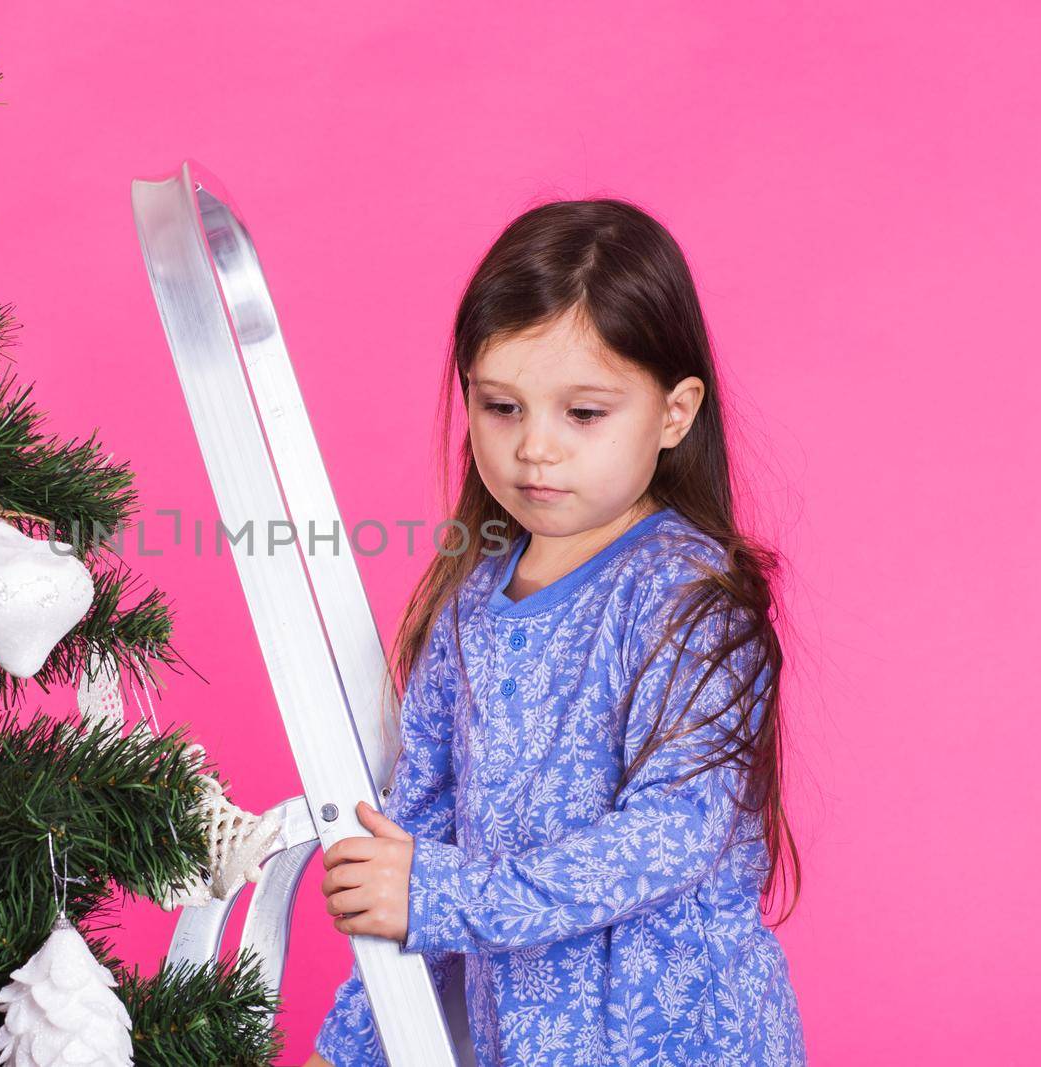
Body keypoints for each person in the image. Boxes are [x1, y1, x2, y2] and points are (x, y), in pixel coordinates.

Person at [303, 199, 806, 1066]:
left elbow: (669, 835)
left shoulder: (687, 600)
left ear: (675, 413)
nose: (535, 448)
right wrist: (352, 1043)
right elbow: (410, 848)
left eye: (583, 413)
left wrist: (442, 893)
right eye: (503, 407)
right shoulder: (467, 609)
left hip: (690, 1043)